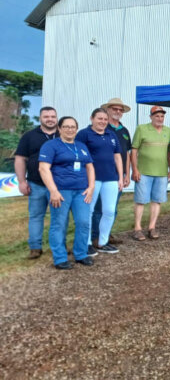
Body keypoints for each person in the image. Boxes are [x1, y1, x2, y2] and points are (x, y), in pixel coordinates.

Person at [38, 117, 95, 269]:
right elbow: (43, 168)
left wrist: (91, 187)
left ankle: (81, 254)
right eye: (66, 126)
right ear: (59, 128)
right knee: (59, 224)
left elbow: (89, 167)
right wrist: (53, 191)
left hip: (81, 191)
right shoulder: (50, 146)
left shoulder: (81, 146)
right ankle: (60, 258)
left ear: (76, 129)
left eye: (73, 127)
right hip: (60, 191)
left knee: (83, 222)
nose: (70, 129)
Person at [76, 108, 123, 256]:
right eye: (99, 119)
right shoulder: (84, 134)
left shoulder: (111, 134)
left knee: (109, 211)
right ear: (92, 118)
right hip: (92, 179)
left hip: (111, 178)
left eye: (105, 119)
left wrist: (120, 177)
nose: (102, 122)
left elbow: (117, 157)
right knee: (88, 211)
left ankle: (103, 242)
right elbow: (78, 155)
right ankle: (87, 242)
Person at [14, 106, 58, 259]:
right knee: (36, 216)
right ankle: (35, 247)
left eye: (53, 116)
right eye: (46, 116)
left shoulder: (63, 134)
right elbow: (20, 159)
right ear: (40, 118)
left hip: (59, 186)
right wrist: (21, 181)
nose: (50, 119)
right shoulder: (29, 136)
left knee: (59, 217)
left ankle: (58, 245)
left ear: (57, 118)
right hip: (36, 184)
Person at [92, 97, 132, 246]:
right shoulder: (101, 127)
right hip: (100, 174)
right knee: (98, 208)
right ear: (107, 110)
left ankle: (106, 234)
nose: (117, 112)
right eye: (114, 109)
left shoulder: (124, 130)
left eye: (120, 110)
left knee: (112, 208)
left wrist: (127, 174)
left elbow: (126, 154)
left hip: (117, 175)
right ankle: (95, 236)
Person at [131, 106, 170, 241]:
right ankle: (137, 228)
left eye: (162, 116)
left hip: (161, 172)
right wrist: (135, 169)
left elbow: (169, 153)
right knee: (141, 201)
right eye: (156, 116)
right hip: (144, 171)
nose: (159, 118)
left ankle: (152, 227)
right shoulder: (141, 129)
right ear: (151, 117)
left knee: (157, 200)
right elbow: (133, 150)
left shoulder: (169, 131)